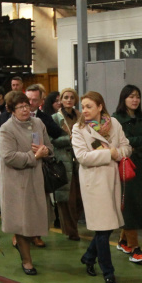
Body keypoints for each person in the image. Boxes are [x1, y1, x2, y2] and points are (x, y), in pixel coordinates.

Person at [72, 91, 131, 283]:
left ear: (100, 107)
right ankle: (108, 272)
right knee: (103, 229)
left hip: (112, 181)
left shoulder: (114, 124)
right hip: (94, 184)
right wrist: (109, 154)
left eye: (89, 106)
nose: (85, 110)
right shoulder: (79, 129)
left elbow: (127, 147)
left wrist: (117, 153)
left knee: (107, 226)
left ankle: (89, 257)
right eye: (83, 107)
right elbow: (82, 157)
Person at [0, 92, 52, 275]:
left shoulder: (38, 123)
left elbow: (49, 146)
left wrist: (46, 151)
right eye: (20, 107)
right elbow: (8, 156)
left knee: (34, 219)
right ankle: (27, 261)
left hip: (36, 179)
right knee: (21, 222)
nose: (25, 110)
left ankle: (29, 245)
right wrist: (34, 156)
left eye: (26, 106)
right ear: (12, 110)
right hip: (16, 181)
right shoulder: (6, 129)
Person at [112, 85, 142, 263]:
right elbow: (122, 141)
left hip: (140, 165)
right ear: (124, 99)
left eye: (137, 96)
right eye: (131, 96)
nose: (135, 100)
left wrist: (138, 148)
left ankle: (123, 241)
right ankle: (135, 248)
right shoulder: (116, 119)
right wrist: (139, 140)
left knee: (138, 203)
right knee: (129, 206)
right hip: (124, 166)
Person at [52, 88, 82, 241]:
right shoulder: (55, 118)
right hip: (63, 161)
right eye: (66, 97)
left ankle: (74, 226)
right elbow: (52, 140)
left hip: (80, 160)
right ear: (61, 100)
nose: (69, 100)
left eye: (71, 97)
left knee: (79, 199)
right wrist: (69, 139)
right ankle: (71, 230)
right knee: (67, 199)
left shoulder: (81, 117)